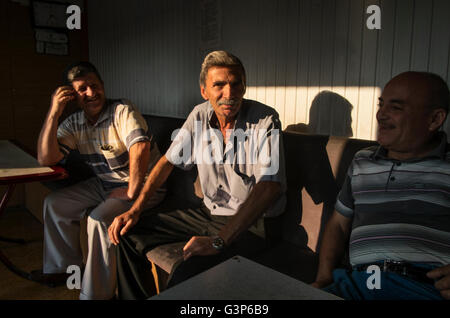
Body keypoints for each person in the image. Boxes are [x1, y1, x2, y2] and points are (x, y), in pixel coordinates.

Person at [108, 50, 287, 299]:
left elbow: (270, 187)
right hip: (209, 213)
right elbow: (166, 163)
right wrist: (135, 209)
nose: (229, 94)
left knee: (187, 271)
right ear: (204, 90)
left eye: (236, 85)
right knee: (128, 235)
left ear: (244, 86)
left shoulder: (265, 119)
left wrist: (218, 241)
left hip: (255, 224)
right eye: (219, 85)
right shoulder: (200, 114)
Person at [312, 71, 450, 300]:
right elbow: (338, 224)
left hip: (423, 287)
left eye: (395, 108)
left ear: (435, 119)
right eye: (381, 104)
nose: (380, 115)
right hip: (356, 284)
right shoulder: (362, 160)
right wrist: (324, 280)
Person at [36, 61, 166, 300]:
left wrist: (131, 190)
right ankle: (63, 270)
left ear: (103, 85)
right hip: (105, 184)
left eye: (95, 86)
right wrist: (54, 111)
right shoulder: (74, 123)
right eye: (82, 89)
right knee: (55, 203)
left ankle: (96, 294)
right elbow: (46, 158)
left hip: (144, 186)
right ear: (72, 96)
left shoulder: (122, 109)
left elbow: (140, 146)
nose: (91, 93)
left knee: (98, 219)